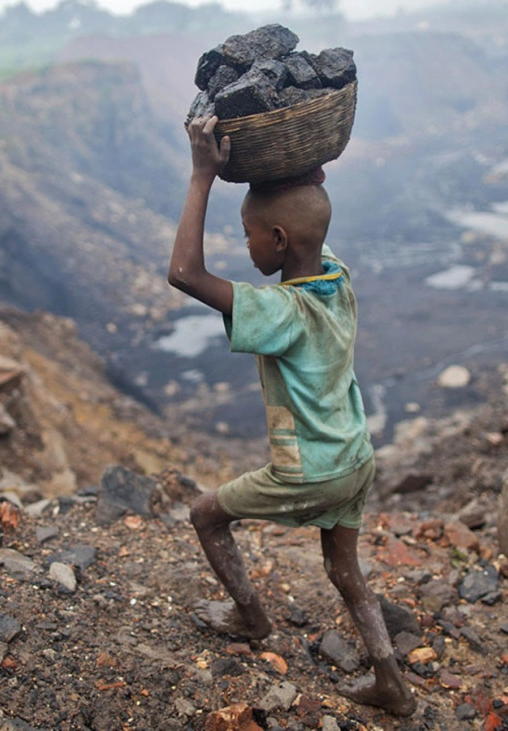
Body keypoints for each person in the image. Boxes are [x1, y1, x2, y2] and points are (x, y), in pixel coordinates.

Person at [167, 115, 416, 717]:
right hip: (355, 456)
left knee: (205, 516)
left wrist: (203, 175)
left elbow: (185, 274)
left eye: (250, 236)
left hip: (310, 469)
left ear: (278, 241)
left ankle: (251, 618)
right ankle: (391, 683)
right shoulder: (337, 278)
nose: (247, 247)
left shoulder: (282, 311)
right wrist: (299, 167)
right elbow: (313, 220)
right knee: (343, 568)